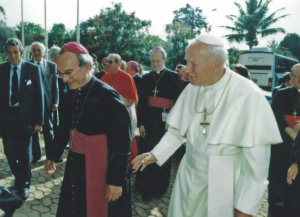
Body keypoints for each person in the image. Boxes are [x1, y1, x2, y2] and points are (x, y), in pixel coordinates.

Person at [132, 35, 282, 217]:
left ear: (216, 65)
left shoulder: (249, 95)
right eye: (186, 62)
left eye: (192, 64)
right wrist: (156, 154)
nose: (186, 70)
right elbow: (178, 131)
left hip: (223, 180)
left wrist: (245, 208)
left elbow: (256, 164)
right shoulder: (193, 87)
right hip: (188, 172)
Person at [44, 42, 132, 217]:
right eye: (60, 74)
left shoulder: (108, 96)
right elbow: (64, 128)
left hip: (103, 169)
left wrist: (115, 181)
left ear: (88, 66)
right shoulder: (70, 93)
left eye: (68, 72)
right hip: (76, 164)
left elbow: (122, 142)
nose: (64, 79)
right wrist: (53, 154)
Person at [136, 46, 182, 201]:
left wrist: (173, 123)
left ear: (164, 60)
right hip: (148, 123)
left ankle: (160, 186)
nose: (154, 64)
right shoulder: (146, 78)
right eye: (152, 61)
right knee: (147, 151)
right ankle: (145, 186)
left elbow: (179, 103)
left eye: (157, 61)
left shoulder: (174, 77)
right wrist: (141, 123)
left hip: (165, 124)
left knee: (163, 154)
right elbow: (141, 102)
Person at [0, 38, 44, 200]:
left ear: (22, 52)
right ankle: (20, 179)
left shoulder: (32, 69)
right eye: (9, 53)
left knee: (25, 153)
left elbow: (39, 96)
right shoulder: (2, 69)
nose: (12, 56)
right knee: (9, 152)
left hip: (25, 118)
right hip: (6, 119)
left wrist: (39, 122)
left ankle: (24, 185)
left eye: (15, 52)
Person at [101, 54, 138, 217]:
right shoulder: (104, 77)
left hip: (120, 123)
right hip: (105, 124)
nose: (107, 65)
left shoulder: (127, 78)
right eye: (106, 62)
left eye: (110, 62)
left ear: (118, 63)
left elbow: (131, 100)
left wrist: (115, 99)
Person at [270, 63, 300, 217]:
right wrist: (288, 129)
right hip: (281, 151)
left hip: (298, 152)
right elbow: (273, 117)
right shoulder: (281, 94)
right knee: (277, 192)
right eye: (296, 76)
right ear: (291, 77)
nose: (299, 79)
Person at [30, 42, 59, 163]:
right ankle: (36, 156)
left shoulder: (52, 66)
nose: (36, 52)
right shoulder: (26, 65)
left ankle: (51, 156)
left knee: (49, 131)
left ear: (44, 51)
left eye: (39, 50)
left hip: (47, 105)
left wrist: (56, 101)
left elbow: (55, 86)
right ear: (31, 52)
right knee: (34, 132)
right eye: (34, 50)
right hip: (32, 106)